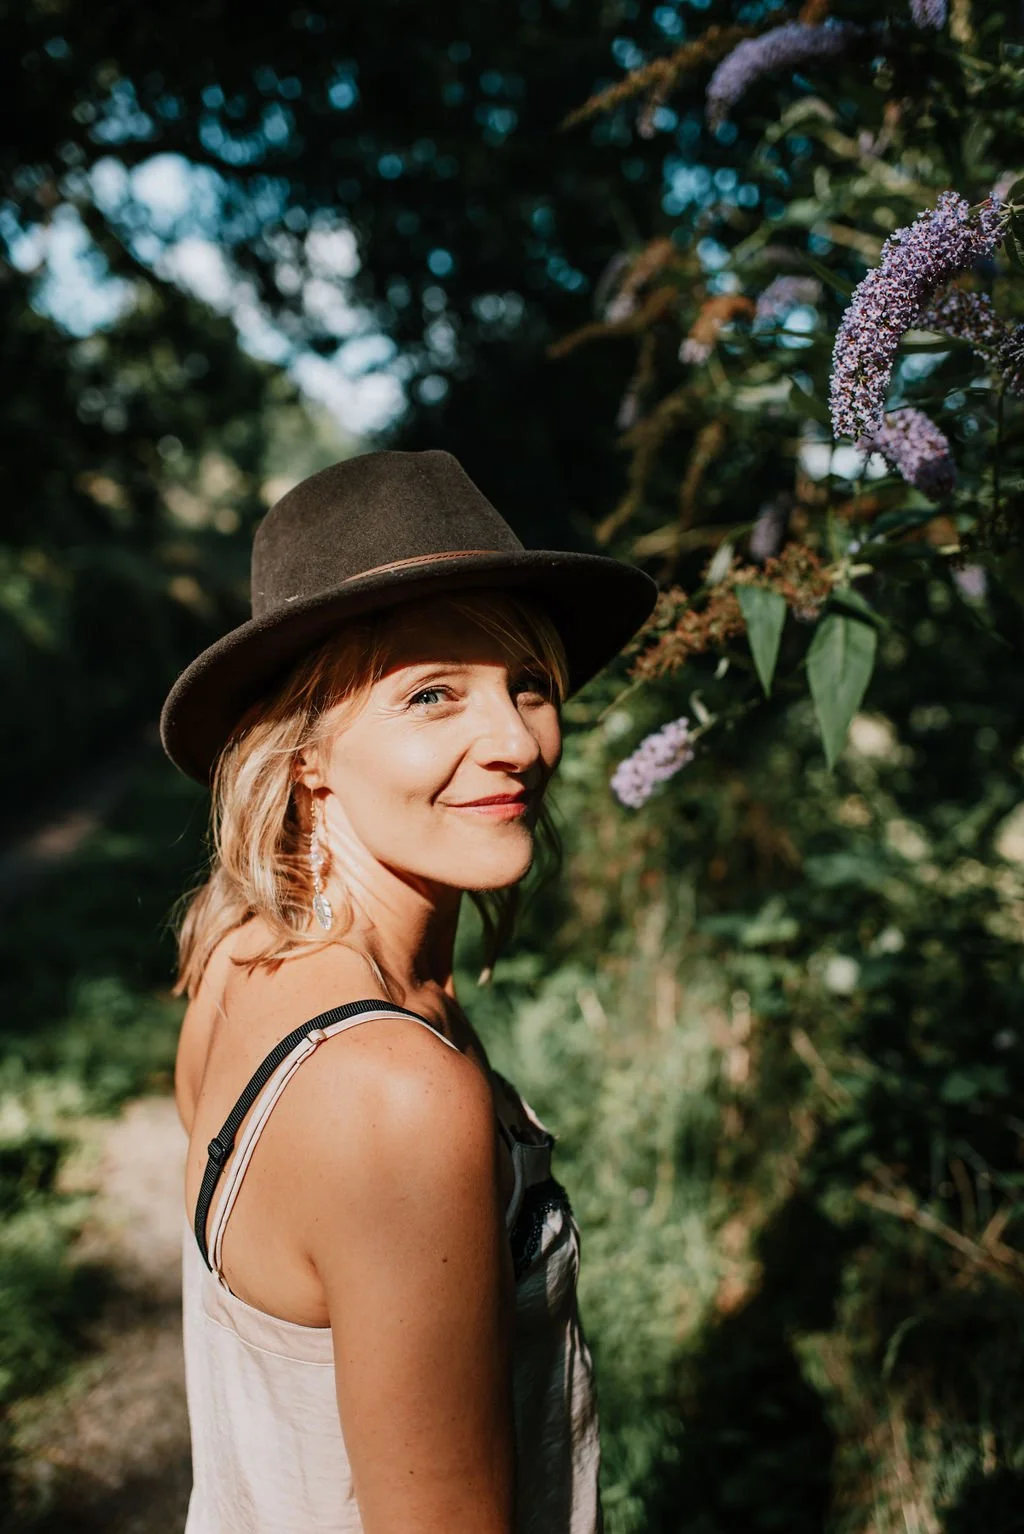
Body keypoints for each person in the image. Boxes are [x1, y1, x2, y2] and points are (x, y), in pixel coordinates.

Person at [162, 448, 658, 1534]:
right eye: (433, 693)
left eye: (526, 682)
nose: (517, 741)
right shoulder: (392, 1095)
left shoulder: (238, 957)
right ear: (305, 755)